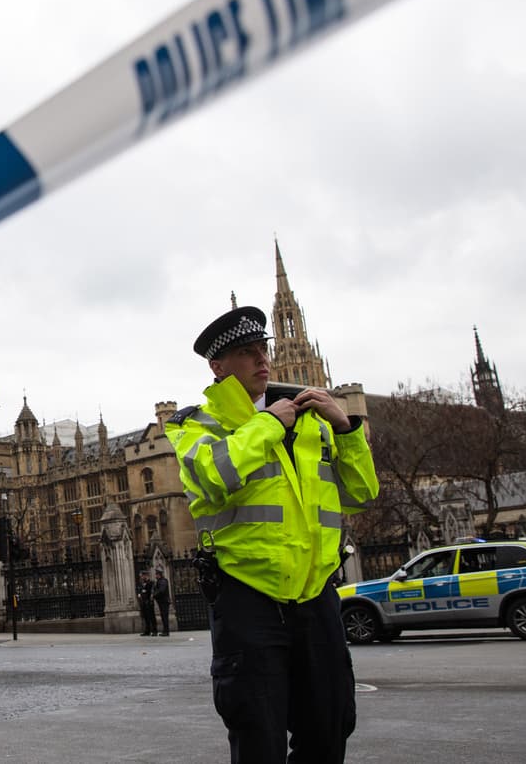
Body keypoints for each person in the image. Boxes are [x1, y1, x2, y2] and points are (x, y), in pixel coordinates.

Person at [165, 305, 379, 763]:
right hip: (248, 597)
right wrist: (268, 423)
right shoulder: (196, 424)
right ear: (218, 367)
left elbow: (361, 494)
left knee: (330, 727)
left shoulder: (313, 421)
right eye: (247, 352)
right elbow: (210, 476)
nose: (262, 359)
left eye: (262, 349)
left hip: (316, 595)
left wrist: (347, 431)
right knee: (258, 736)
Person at [138, 570, 157, 636]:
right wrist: (139, 594)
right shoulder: (141, 583)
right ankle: (147, 631)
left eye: (141, 576)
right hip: (143, 602)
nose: (141, 577)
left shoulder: (151, 582)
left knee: (152, 617)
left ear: (145, 575)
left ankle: (154, 631)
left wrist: (150, 598)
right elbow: (140, 590)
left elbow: (152, 592)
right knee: (146, 617)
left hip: (149, 602)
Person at [153, 568, 172, 636]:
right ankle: (165, 631)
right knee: (163, 616)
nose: (155, 576)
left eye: (156, 574)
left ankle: (166, 631)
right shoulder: (160, 581)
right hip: (162, 601)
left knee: (164, 616)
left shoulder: (163, 581)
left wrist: (154, 595)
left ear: (159, 575)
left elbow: (161, 590)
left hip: (164, 601)